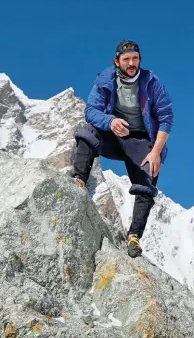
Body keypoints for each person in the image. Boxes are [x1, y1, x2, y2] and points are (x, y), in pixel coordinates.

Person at [72, 40, 174, 258]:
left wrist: (155, 151)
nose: (131, 63)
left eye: (135, 58)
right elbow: (91, 111)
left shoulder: (151, 82)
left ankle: (134, 237)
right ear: (116, 61)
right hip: (114, 135)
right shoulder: (105, 79)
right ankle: (78, 180)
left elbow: (166, 117)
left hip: (140, 141)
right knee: (87, 132)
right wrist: (109, 121)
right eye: (126, 59)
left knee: (149, 175)